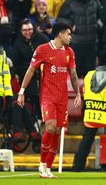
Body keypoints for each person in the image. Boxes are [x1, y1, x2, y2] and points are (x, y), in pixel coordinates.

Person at [17, 21, 81, 178]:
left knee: (58, 131)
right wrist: (21, 91)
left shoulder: (69, 52)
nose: (70, 37)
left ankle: (48, 167)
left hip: (62, 97)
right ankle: (42, 164)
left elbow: (73, 74)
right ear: (60, 34)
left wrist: (78, 93)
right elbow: (31, 70)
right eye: (68, 34)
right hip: (47, 96)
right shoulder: (43, 49)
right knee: (50, 128)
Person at [73, 50, 106, 172]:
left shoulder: (89, 75)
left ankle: (77, 167)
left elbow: (85, 92)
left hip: (92, 113)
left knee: (86, 142)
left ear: (98, 61)